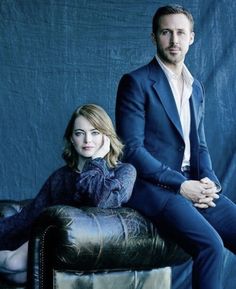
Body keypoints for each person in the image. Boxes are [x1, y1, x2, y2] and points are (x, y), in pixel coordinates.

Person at [116, 4, 236, 289]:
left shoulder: (196, 88)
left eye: (181, 33)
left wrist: (210, 184)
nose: (174, 40)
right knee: (211, 246)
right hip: (150, 186)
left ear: (192, 37)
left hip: (191, 183)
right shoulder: (136, 82)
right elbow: (131, 150)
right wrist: (181, 185)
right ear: (154, 37)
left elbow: (200, 147)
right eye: (166, 32)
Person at [0, 103, 136, 284]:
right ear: (72, 139)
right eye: (79, 133)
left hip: (92, 249)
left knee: (12, 263)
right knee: (17, 277)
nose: (88, 139)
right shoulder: (61, 176)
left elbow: (101, 201)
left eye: (95, 132)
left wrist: (96, 161)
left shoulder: (125, 171)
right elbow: (29, 216)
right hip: (53, 247)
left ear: (107, 136)